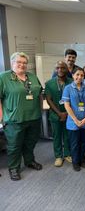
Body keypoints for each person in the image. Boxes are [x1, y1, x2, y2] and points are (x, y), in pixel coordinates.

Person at [0, 52, 43, 181]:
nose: (22, 65)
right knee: (14, 146)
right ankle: (14, 168)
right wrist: (1, 118)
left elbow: (39, 93)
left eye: (24, 63)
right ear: (13, 63)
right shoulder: (4, 77)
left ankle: (29, 161)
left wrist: (40, 111)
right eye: (19, 62)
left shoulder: (32, 76)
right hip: (14, 119)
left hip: (34, 117)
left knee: (30, 142)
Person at [62, 67, 85, 171]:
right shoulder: (68, 88)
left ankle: (82, 160)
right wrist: (75, 120)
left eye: (82, 75)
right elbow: (67, 106)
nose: (79, 77)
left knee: (83, 143)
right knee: (74, 144)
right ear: (73, 75)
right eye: (77, 75)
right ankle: (75, 162)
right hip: (72, 122)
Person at [45, 61, 73, 167]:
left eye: (62, 68)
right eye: (57, 68)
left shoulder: (72, 82)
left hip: (69, 114)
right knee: (56, 136)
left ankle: (67, 154)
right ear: (55, 69)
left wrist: (66, 113)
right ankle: (58, 156)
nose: (60, 70)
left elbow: (74, 99)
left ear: (67, 69)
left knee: (67, 135)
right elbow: (49, 100)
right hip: (55, 115)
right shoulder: (49, 83)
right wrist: (60, 113)